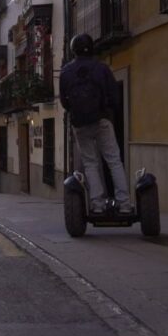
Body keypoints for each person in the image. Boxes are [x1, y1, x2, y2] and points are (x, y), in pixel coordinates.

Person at [59, 33, 132, 214]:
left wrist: (76, 113)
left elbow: (64, 101)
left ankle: (97, 205)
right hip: (102, 120)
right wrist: (107, 113)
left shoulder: (66, 72)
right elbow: (115, 96)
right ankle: (124, 204)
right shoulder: (102, 68)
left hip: (80, 124)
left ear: (73, 50)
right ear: (91, 48)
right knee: (114, 161)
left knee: (90, 163)